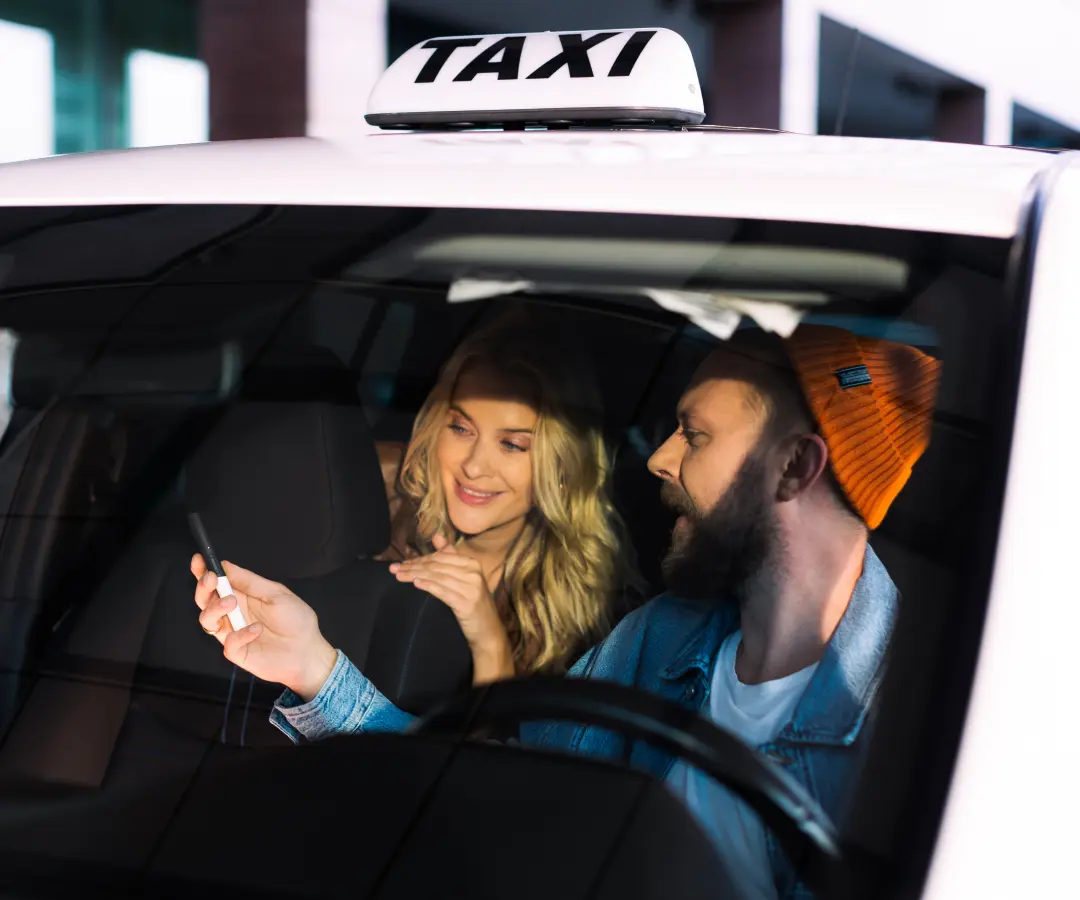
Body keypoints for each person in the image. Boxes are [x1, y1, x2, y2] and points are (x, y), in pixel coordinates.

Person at [193, 322, 940, 900]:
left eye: (696, 435)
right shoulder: (659, 638)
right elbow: (503, 799)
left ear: (795, 467)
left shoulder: (929, 731)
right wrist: (318, 670)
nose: (657, 458)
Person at [193, 310, 636, 702]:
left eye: (513, 445)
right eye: (461, 429)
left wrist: (488, 639)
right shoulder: (367, 527)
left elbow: (499, 777)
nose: (474, 467)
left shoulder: (603, 617)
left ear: (561, 467)